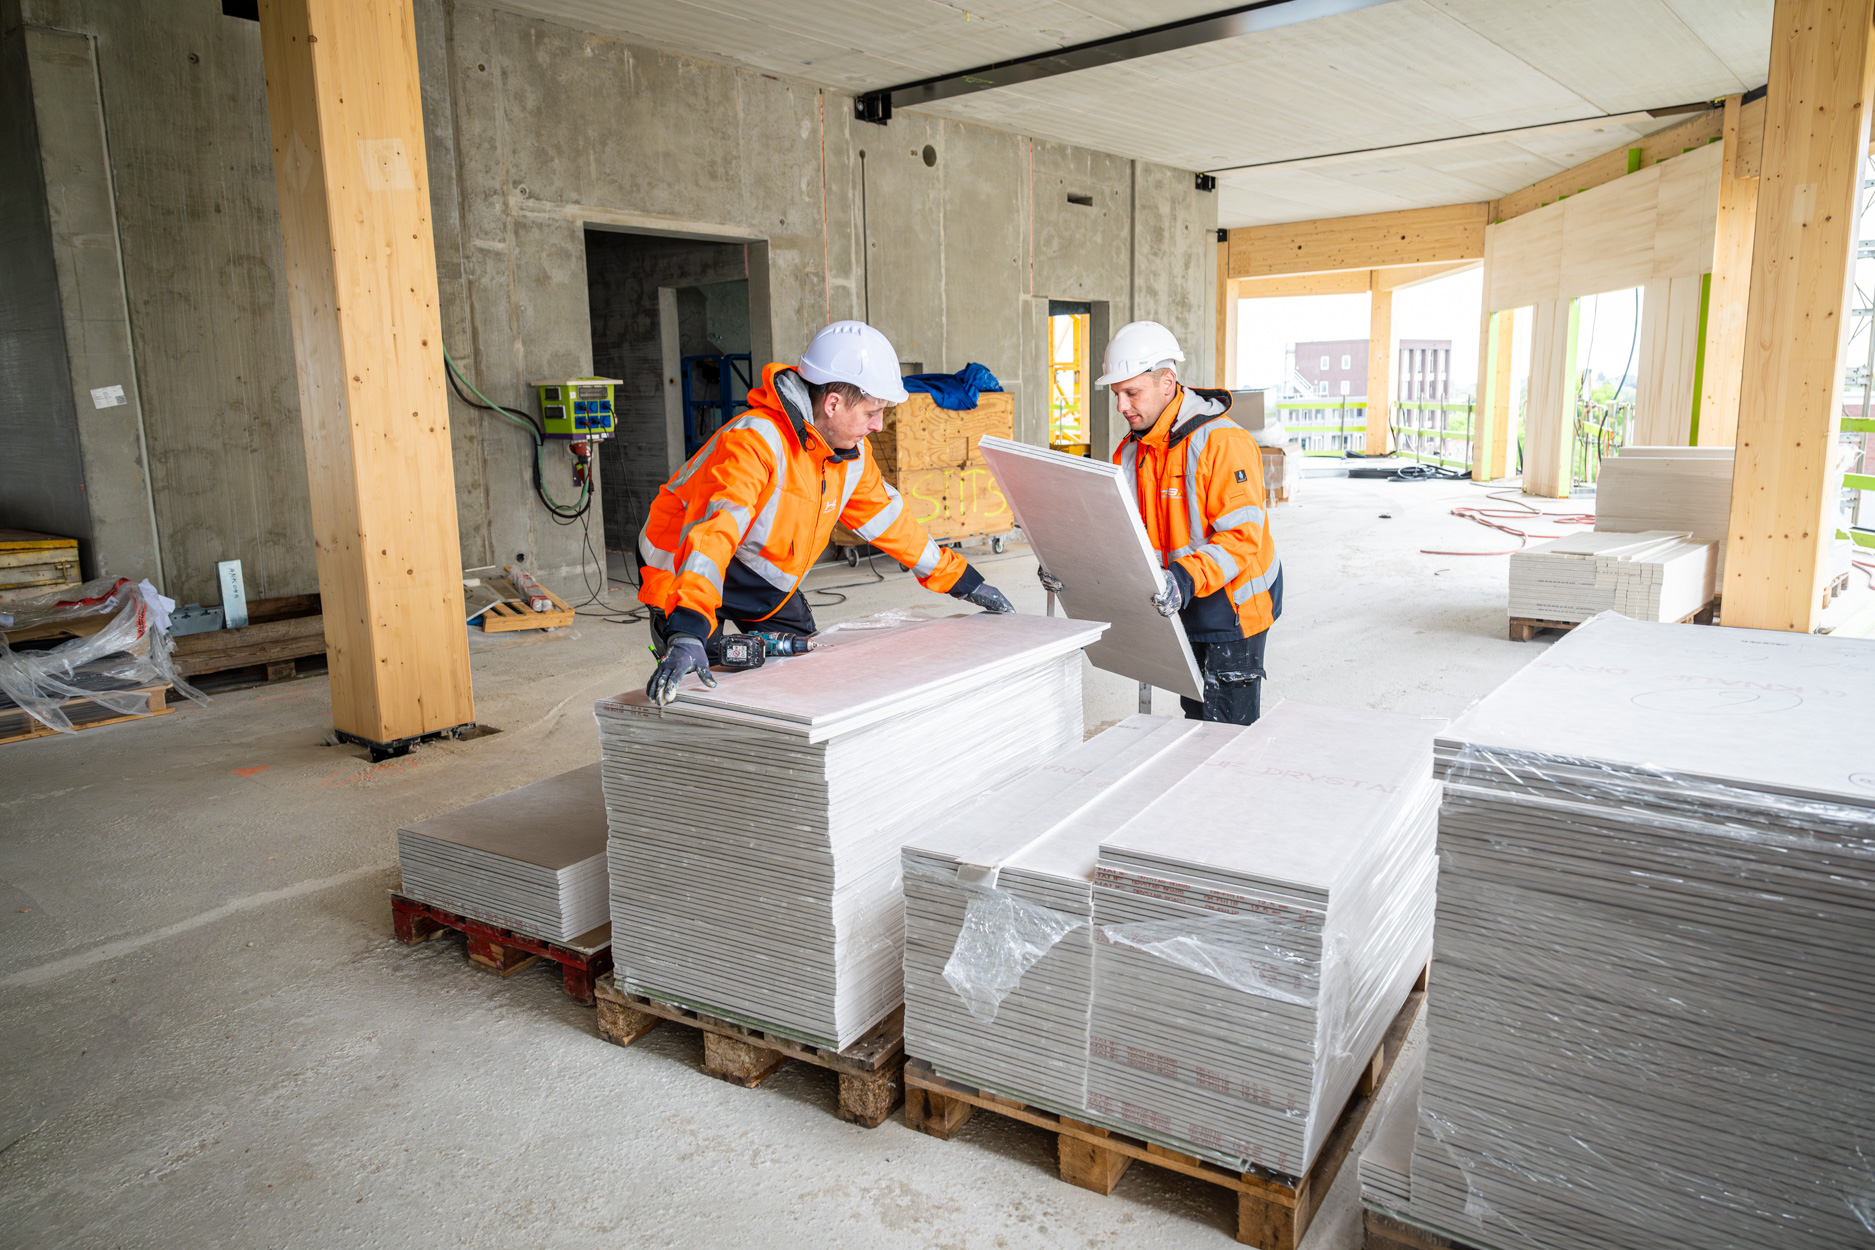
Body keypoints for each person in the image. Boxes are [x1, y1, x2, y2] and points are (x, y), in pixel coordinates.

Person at [638, 320, 1016, 704]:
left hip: (760, 571)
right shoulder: (755, 443)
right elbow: (712, 536)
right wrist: (687, 628)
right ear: (833, 403)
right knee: (703, 681)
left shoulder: (849, 457)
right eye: (872, 411)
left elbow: (891, 523)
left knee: (807, 670)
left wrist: (965, 581)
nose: (878, 425)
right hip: (686, 566)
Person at [1047, 320, 1280, 724]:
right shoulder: (1130, 452)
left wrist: (1182, 579)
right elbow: (1120, 532)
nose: (1121, 406)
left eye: (1132, 393)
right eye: (1117, 394)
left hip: (1233, 609)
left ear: (1167, 383)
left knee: (1226, 729)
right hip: (1178, 600)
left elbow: (1242, 539)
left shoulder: (1223, 443)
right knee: (1195, 713)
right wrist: (1069, 561)